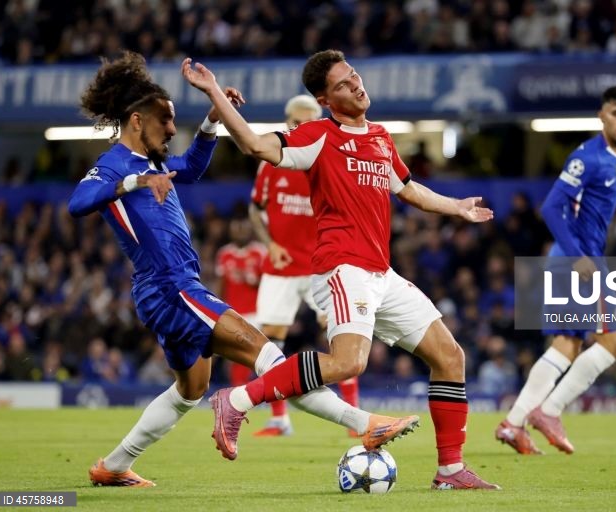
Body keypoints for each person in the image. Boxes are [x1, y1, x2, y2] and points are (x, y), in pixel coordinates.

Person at [68, 51, 418, 488]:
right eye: (166, 122)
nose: (173, 130)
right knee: (268, 355)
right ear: (136, 121)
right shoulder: (117, 165)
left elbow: (192, 166)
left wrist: (213, 120)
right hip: (170, 288)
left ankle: (114, 466)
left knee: (189, 391)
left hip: (171, 290)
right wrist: (135, 182)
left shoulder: (156, 163)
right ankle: (365, 422)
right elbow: (78, 203)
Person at [182, 49, 501, 490]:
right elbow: (255, 145)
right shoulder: (317, 135)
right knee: (349, 362)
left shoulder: (381, 138)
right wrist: (215, 92)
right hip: (341, 267)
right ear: (325, 99)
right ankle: (236, 400)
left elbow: (408, 190)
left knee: (450, 357)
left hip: (380, 272)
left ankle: (450, 470)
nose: (356, 85)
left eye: (354, 76)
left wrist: (457, 208)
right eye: (343, 85)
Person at [495, 85, 616, 455]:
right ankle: (548, 411)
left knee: (567, 344)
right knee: (612, 343)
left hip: (575, 259)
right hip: (577, 260)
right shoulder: (587, 157)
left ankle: (514, 423)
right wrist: (578, 256)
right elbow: (551, 208)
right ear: (601, 114)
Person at [248, 94, 361, 437]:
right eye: (294, 123)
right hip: (281, 266)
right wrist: (270, 244)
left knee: (341, 335)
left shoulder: (329, 160)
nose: (298, 128)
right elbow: (255, 209)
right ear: (286, 123)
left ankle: (355, 418)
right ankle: (280, 419)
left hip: (321, 266)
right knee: (270, 339)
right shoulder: (270, 163)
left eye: (305, 122)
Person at [215, 218, 266, 387]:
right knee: (236, 358)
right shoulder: (224, 254)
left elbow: (269, 283)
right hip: (233, 313)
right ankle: (238, 391)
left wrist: (256, 282)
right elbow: (221, 285)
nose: (240, 233)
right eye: (236, 230)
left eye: (243, 230)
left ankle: (258, 392)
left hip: (256, 313)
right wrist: (217, 310)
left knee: (258, 357)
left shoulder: (259, 252)